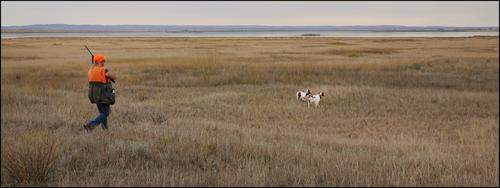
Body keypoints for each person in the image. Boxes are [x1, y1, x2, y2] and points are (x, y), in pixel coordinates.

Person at [84, 54, 116, 131]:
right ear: (98, 61)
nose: (104, 62)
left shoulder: (90, 71)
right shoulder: (104, 70)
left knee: (102, 113)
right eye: (102, 61)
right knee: (105, 113)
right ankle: (91, 125)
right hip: (104, 94)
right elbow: (114, 77)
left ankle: (105, 130)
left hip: (95, 95)